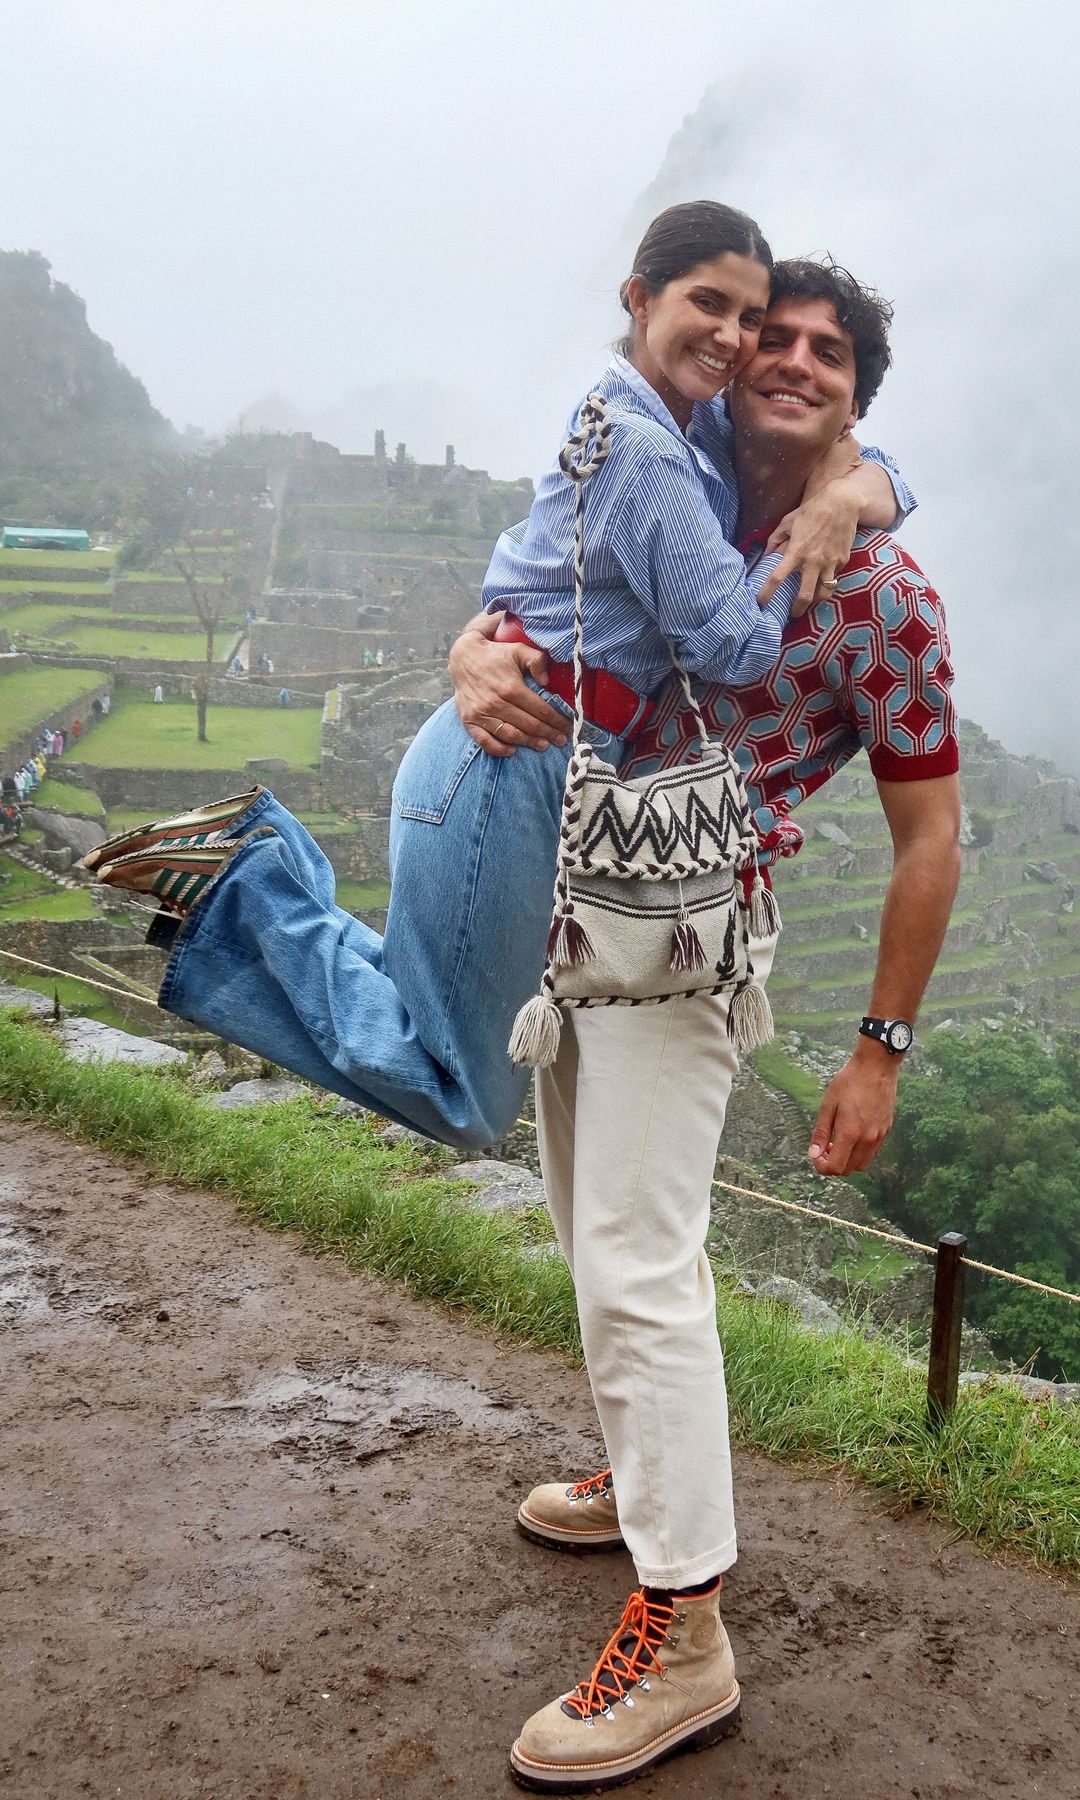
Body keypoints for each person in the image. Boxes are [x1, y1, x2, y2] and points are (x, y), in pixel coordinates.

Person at [83, 202, 903, 1158]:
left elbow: (860, 449)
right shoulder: (643, 447)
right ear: (639, 298)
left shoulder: (675, 422)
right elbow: (737, 650)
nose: (731, 338)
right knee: (465, 1100)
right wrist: (803, 545)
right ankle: (250, 885)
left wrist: (847, 484)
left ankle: (259, 866)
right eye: (707, 304)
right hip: (508, 762)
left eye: (746, 319)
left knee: (427, 1026)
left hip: (525, 762)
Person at [448, 256, 959, 1791]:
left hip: (685, 947)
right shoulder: (679, 489)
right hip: (570, 905)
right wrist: (470, 649)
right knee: (587, 1235)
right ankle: (643, 1477)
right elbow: (536, 590)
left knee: (640, 1264)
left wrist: (881, 1048)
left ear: (859, 399)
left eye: (827, 352)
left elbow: (932, 841)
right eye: (771, 340)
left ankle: (685, 1636)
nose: (789, 360)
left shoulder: (884, 595)